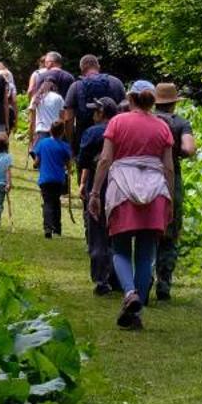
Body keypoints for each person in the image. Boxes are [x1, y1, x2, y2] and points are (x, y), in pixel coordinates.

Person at [93, 80, 174, 329]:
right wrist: (169, 199)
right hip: (154, 192)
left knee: (119, 249)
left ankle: (130, 294)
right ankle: (135, 313)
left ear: (130, 98)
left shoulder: (117, 122)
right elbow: (168, 167)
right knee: (146, 253)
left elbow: (106, 158)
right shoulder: (162, 127)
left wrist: (95, 192)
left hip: (123, 190)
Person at [152, 81, 197, 301]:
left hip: (145, 177)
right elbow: (189, 149)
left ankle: (143, 277)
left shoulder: (146, 120)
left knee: (147, 229)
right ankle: (164, 282)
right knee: (170, 231)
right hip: (172, 178)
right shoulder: (180, 123)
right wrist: (175, 151)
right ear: (174, 103)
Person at [77, 96, 118, 294]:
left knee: (98, 231)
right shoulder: (122, 129)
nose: (92, 114)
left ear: (101, 113)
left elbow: (83, 159)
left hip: (98, 183)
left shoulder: (93, 133)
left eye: (95, 111)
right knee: (117, 232)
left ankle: (101, 279)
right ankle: (119, 277)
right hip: (121, 184)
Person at [62, 54, 126, 148]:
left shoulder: (76, 86)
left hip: (85, 140)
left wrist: (70, 144)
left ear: (82, 69)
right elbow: (125, 111)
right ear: (98, 67)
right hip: (113, 138)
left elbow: (68, 118)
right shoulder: (116, 82)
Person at [36, 120, 73, 237]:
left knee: (47, 202)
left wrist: (36, 164)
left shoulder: (42, 143)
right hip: (58, 179)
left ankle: (48, 227)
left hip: (45, 179)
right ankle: (57, 228)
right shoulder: (64, 146)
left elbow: (37, 162)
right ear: (62, 132)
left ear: (50, 130)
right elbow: (68, 165)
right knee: (56, 202)